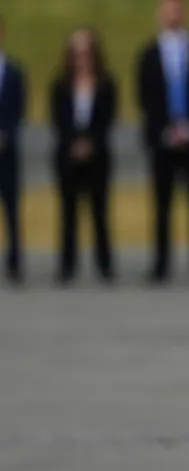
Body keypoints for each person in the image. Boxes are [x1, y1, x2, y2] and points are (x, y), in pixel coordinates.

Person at [136, 0, 189, 284]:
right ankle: (160, 264)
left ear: (185, 11)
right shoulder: (149, 53)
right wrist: (166, 128)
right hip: (162, 138)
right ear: (160, 12)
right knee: (162, 204)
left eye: (178, 7)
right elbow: (145, 97)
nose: (173, 13)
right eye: (168, 8)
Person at [50, 27, 118, 284]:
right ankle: (67, 265)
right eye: (77, 53)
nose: (82, 58)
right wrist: (74, 143)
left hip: (97, 155)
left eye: (87, 52)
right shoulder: (60, 85)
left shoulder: (106, 84)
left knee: (100, 211)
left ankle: (104, 264)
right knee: (68, 212)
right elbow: (59, 120)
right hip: (68, 155)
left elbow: (107, 120)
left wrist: (90, 143)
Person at [0, 14, 26, 285]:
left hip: (6, 152)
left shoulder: (14, 72)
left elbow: (19, 109)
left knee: (11, 209)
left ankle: (15, 263)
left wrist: (5, 134)